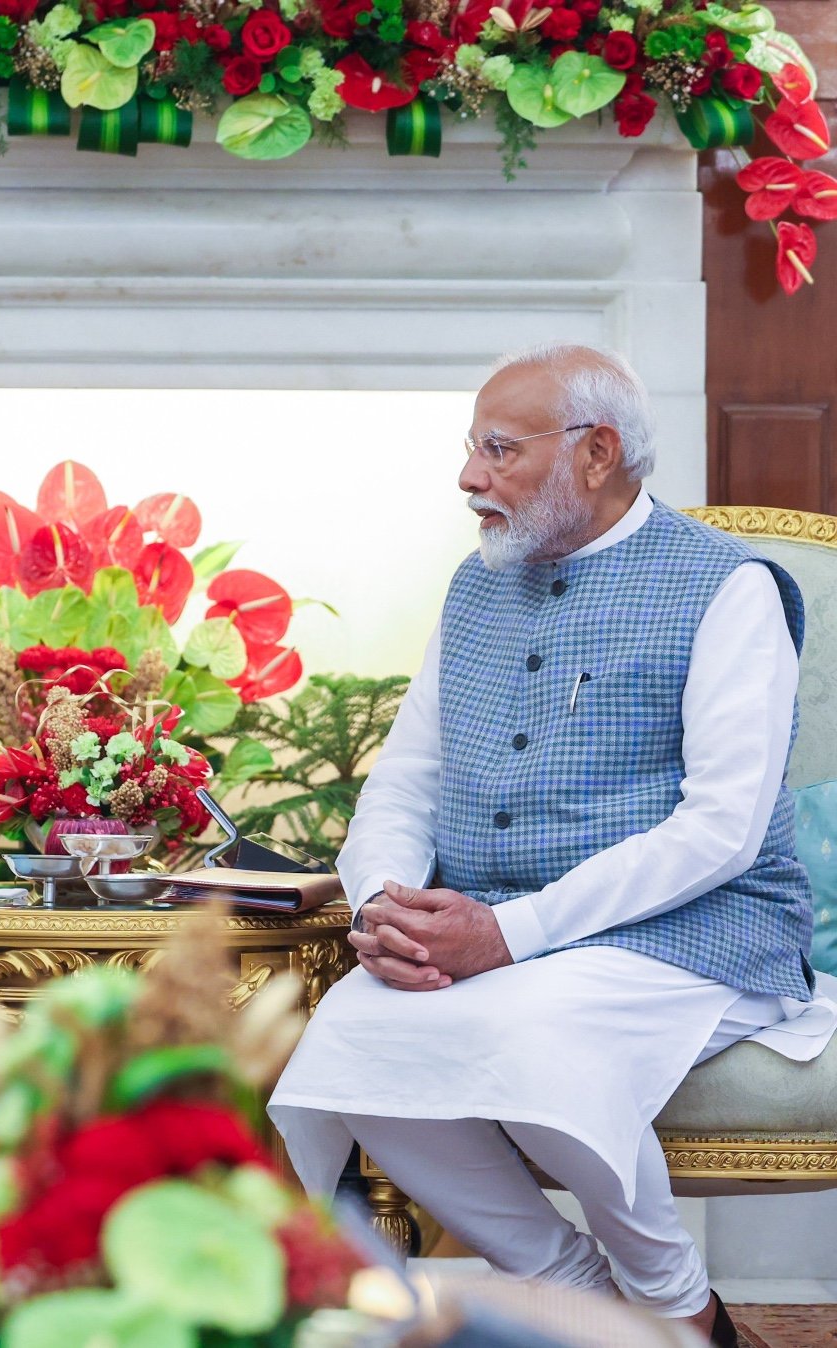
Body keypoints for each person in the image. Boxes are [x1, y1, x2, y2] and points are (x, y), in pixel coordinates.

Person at [268, 344, 837, 1348]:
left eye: (498, 449)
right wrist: (386, 904)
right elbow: (407, 777)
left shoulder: (726, 586)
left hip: (697, 931)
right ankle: (569, 1285)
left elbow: (720, 828)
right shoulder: (473, 586)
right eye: (470, 447)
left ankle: (678, 1307)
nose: (468, 477)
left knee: (535, 1035)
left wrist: (511, 933)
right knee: (355, 1033)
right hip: (498, 932)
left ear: (595, 452)